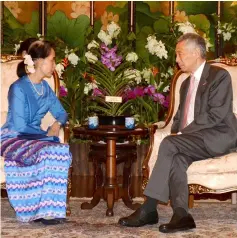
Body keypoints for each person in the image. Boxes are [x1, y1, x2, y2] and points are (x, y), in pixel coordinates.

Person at [118, 33, 237, 233]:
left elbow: (215, 116)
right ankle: (182, 214)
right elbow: (178, 117)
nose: (176, 59)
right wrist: (176, 132)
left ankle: (149, 208)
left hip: (219, 136)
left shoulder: (219, 76)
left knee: (170, 145)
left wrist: (180, 135)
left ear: (196, 53)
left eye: (180, 54)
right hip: (193, 139)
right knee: (177, 157)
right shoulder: (185, 84)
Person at [1, 40, 72, 225]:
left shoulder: (45, 89)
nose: (54, 65)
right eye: (52, 59)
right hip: (12, 138)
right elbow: (19, 126)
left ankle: (50, 210)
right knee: (51, 148)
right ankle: (31, 209)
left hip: (34, 138)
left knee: (61, 150)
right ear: (39, 61)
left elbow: (62, 112)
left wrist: (57, 124)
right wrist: (46, 137)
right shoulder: (18, 88)